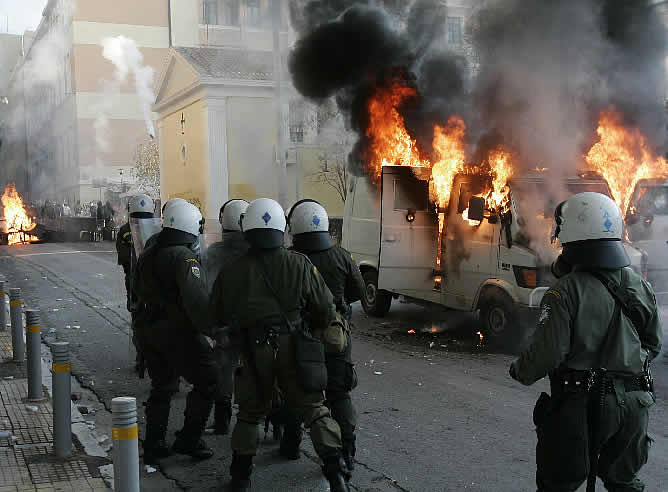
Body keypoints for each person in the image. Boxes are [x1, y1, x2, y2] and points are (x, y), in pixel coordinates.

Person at [509, 192, 662, 492]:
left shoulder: (563, 292)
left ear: (571, 242)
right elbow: (653, 343)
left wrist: (520, 370)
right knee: (625, 484)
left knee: (559, 484)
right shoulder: (637, 284)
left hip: (582, 405)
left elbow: (548, 354)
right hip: (635, 403)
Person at [210, 198, 351, 492]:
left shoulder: (233, 271)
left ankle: (240, 477)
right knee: (314, 410)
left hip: (253, 351)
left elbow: (218, 314)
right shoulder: (300, 263)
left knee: (250, 414)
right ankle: (336, 474)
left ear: (246, 229)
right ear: (281, 229)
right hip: (294, 350)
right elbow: (325, 310)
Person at [133, 198, 220, 465]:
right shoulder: (183, 257)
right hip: (177, 332)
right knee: (208, 380)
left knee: (163, 385)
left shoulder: (150, 248)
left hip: (148, 329)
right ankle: (189, 439)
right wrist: (214, 331)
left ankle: (155, 442)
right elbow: (196, 301)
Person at [283, 199, 364, 472]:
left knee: (298, 391)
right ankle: (347, 451)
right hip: (335, 335)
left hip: (300, 336)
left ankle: (291, 445)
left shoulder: (290, 258)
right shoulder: (342, 256)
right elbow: (359, 293)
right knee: (339, 393)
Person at [204, 199, 250, 435]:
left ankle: (222, 422)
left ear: (223, 221)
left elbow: (205, 289)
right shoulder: (258, 251)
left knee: (224, 372)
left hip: (225, 326)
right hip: (255, 324)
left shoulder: (213, 253)